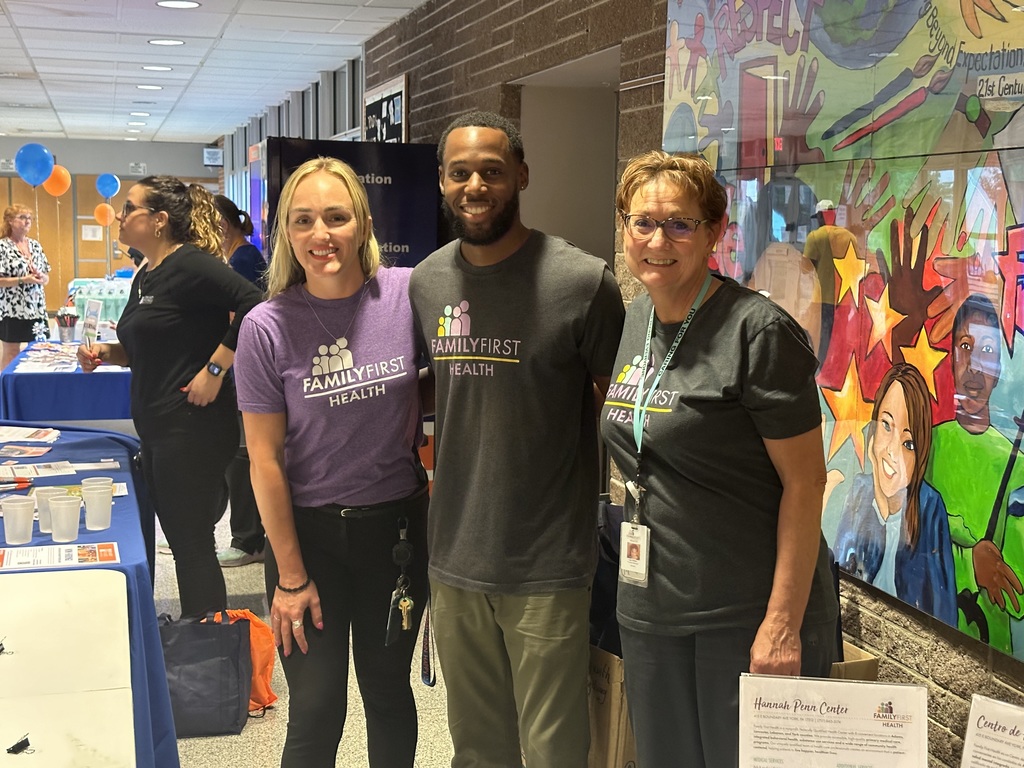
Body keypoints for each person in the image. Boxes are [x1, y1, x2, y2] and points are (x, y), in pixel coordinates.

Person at [600, 150, 839, 768]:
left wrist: (781, 623)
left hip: (740, 614)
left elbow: (806, 486)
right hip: (651, 603)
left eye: (680, 223)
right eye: (642, 222)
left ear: (714, 233)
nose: (658, 240)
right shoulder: (637, 320)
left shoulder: (756, 333)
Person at [408, 110, 625, 768]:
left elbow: (617, 403)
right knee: (477, 751)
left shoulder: (583, 282)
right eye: (460, 172)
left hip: (548, 563)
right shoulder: (427, 282)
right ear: (443, 183)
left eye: (493, 171)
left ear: (522, 176)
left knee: (554, 752)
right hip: (455, 557)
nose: (476, 185)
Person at [233, 157, 429, 767]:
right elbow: (264, 460)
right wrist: (289, 577)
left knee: (387, 694)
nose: (322, 235)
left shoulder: (407, 295)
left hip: (394, 533)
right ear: (287, 233)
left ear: (363, 223)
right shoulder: (266, 328)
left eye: (337, 217)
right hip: (306, 539)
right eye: (304, 220)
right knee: (318, 706)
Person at [77, 176, 263, 618]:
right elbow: (155, 343)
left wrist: (216, 369)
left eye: (129, 208)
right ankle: (199, 636)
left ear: (159, 220)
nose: (119, 216)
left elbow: (257, 301)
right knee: (184, 542)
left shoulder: (191, 264)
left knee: (192, 545)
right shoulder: (147, 272)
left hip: (191, 428)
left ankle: (210, 650)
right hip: (158, 427)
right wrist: (108, 353)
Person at [925, 293, 1024, 657]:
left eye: (987, 350)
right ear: (951, 357)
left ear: (1000, 369)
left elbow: (1017, 597)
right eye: (965, 346)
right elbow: (911, 550)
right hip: (928, 636)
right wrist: (970, 564)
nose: (974, 366)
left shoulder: (1018, 468)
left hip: (993, 659)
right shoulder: (925, 447)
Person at [832, 363, 957, 626]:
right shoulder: (860, 491)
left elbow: (946, 619)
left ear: (920, 455)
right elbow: (838, 577)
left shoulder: (931, 509)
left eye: (908, 444)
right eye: (886, 426)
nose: (892, 451)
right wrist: (877, 493)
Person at [213, 194, 267, 567]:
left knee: (243, 453)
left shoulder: (244, 258)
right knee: (234, 453)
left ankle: (248, 539)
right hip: (237, 365)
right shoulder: (234, 256)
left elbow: (246, 311)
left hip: (244, 366)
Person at [803, 199, 858, 361]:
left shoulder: (815, 236)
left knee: (821, 340)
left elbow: (805, 268)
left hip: (822, 300)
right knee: (840, 339)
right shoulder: (850, 237)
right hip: (845, 299)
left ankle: (820, 374)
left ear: (821, 216)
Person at [0, 205, 51, 368]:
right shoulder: (2, 247)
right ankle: (5, 389)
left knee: (39, 351)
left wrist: (42, 277)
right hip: (12, 309)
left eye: (29, 218)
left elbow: (46, 277)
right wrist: (24, 280)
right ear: (9, 221)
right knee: (11, 352)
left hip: (36, 308)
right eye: (22, 217)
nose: (27, 221)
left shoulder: (35, 245)